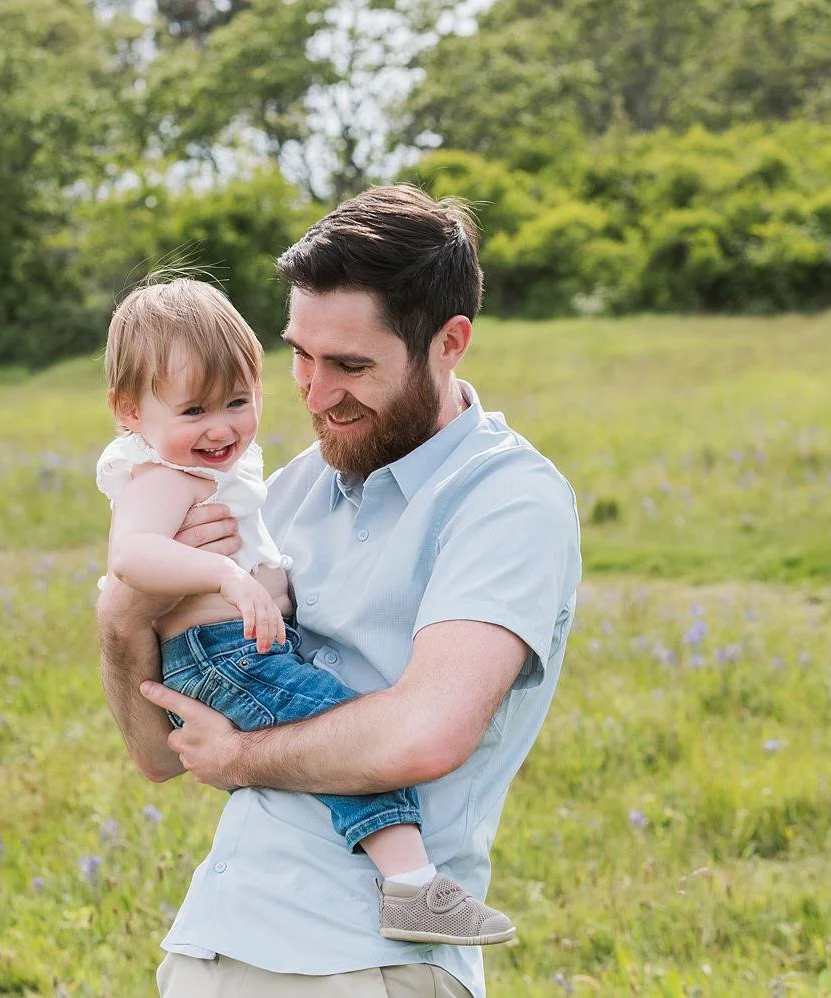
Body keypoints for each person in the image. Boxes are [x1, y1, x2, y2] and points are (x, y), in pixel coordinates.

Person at [97, 185, 582, 998]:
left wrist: (240, 757)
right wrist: (122, 616)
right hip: (214, 941)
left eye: (351, 366)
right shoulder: (288, 489)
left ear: (450, 343)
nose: (316, 395)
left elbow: (422, 736)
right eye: (301, 357)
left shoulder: (507, 501)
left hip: (366, 962)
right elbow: (155, 754)